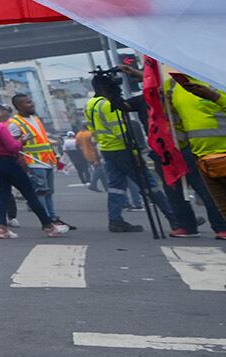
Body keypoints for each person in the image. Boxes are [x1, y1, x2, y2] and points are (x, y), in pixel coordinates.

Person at [82, 73, 176, 234]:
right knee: (150, 184)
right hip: (122, 149)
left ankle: (115, 220)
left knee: (116, 187)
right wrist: (135, 152)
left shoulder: (90, 104)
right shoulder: (108, 105)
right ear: (106, 87)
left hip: (107, 149)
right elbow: (121, 131)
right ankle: (175, 219)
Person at [0, 103, 69, 239]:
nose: (0, 114)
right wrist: (22, 141)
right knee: (30, 195)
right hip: (8, 163)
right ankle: (49, 226)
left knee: (2, 196)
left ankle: (2, 229)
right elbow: (12, 147)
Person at [168, 71, 226, 235]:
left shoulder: (218, 77)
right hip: (204, 160)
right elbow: (177, 122)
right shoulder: (175, 86)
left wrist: (215, 97)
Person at [6, 93, 65, 227]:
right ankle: (47, 222)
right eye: (27, 102)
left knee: (49, 192)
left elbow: (43, 139)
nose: (31, 104)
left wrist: (55, 155)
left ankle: (53, 218)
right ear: (19, 106)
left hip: (47, 162)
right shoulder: (14, 124)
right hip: (33, 162)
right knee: (41, 192)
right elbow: (14, 146)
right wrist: (23, 164)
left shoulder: (35, 119)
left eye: (31, 101)